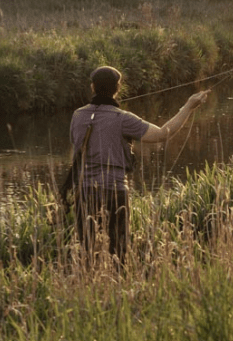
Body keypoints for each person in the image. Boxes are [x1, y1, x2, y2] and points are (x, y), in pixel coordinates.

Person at [67, 65, 209, 264]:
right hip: (114, 192)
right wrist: (188, 107)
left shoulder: (77, 115)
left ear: (92, 87)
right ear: (118, 88)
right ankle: (116, 288)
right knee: (118, 253)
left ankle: (89, 288)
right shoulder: (123, 119)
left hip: (84, 192)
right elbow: (162, 134)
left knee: (87, 251)